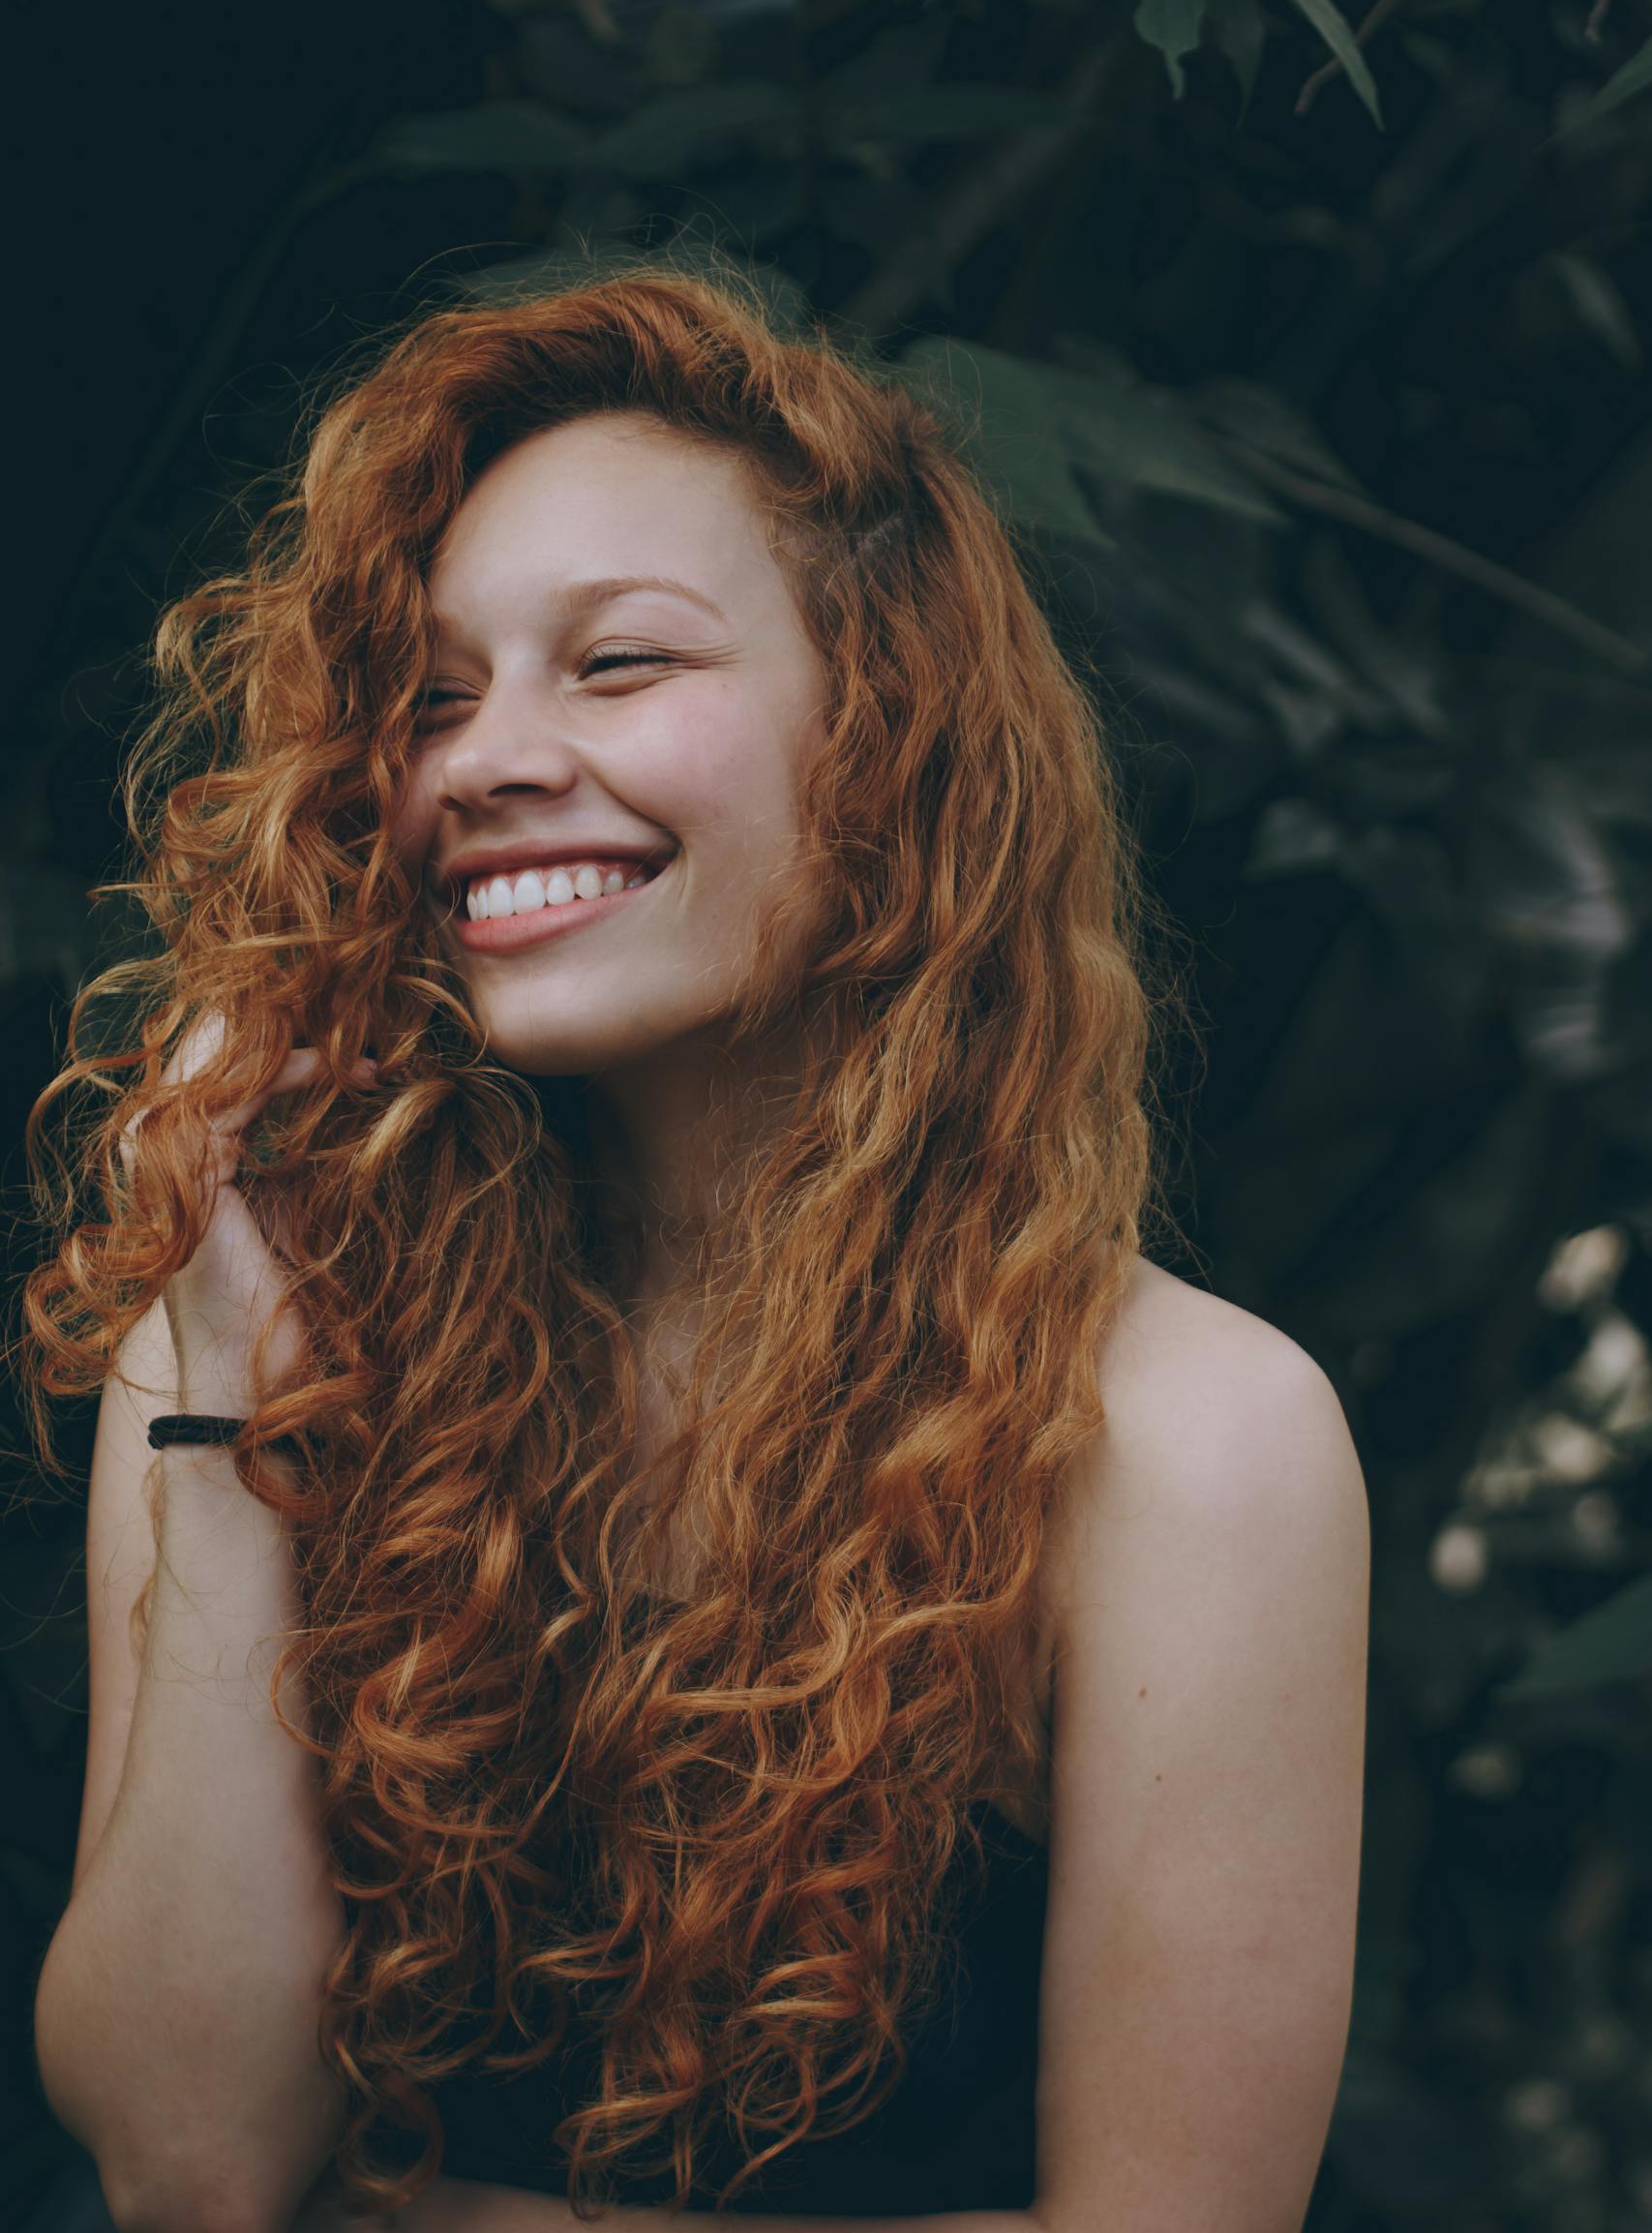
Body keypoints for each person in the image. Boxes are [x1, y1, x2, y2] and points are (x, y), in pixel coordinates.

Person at [19, 263, 1369, 2232]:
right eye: (432, 691)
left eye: (619, 662)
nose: (481, 756)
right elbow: (190, 2163)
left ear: (888, 739)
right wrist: (242, 1408)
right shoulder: (242, 1341)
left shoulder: (1192, 1439)